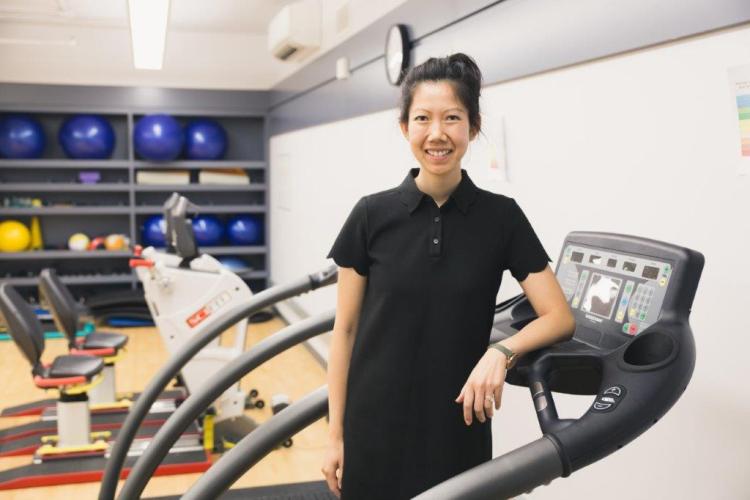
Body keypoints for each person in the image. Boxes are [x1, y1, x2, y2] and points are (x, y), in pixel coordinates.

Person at [321, 53, 576, 499]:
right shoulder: (370, 215)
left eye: (452, 118)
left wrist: (502, 351)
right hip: (375, 423)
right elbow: (344, 331)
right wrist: (334, 435)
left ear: (472, 128)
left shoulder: (502, 218)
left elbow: (557, 316)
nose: (437, 134)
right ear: (405, 128)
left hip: (458, 426)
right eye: (422, 118)